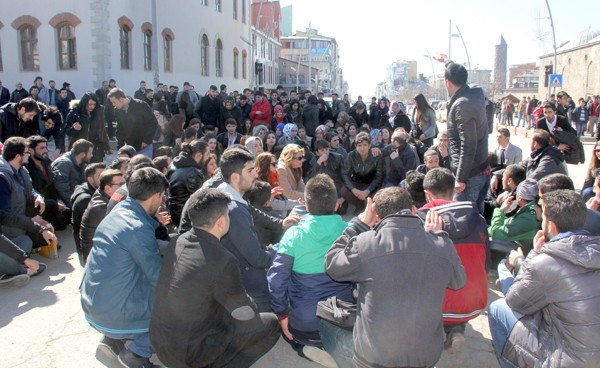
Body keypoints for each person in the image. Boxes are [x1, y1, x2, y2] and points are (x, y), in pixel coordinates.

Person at [324, 187, 466, 368]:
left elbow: (331, 265)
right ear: (414, 210)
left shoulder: (365, 242)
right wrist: (441, 237)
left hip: (373, 359)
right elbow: (459, 281)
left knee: (325, 324)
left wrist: (358, 226)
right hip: (426, 357)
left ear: (376, 216)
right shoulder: (440, 244)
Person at [150, 188, 280, 367]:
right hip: (190, 355)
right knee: (270, 323)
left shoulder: (177, 241)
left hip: (162, 342)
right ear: (220, 221)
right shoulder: (223, 260)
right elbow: (244, 312)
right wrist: (254, 303)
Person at [488, 189, 600, 368]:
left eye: (544, 219)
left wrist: (531, 256)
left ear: (552, 226)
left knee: (497, 307)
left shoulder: (546, 262)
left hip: (565, 360)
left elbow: (515, 302)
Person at [81, 167, 169, 367]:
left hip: (93, 303)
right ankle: (136, 355)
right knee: (179, 305)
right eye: (163, 196)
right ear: (156, 196)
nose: (163, 201)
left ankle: (112, 341)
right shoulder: (138, 229)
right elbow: (159, 278)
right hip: (112, 314)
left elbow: (134, 246)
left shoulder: (120, 210)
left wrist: (174, 245)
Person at [268, 175, 351, 366]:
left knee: (285, 276)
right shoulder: (351, 231)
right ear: (336, 205)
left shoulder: (293, 235)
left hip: (305, 326)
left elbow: (276, 281)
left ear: (306, 207)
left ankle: (303, 347)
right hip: (344, 320)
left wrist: (282, 315)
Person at [418, 168, 488, 352]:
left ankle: (428, 335)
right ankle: (457, 328)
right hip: (475, 301)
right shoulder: (478, 218)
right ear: (454, 190)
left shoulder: (421, 219)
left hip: (438, 306)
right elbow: (486, 262)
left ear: (427, 194)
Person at [218, 148, 273, 311]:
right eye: (250, 171)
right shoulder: (234, 210)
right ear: (235, 177)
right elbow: (256, 258)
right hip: (247, 289)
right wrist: (282, 254)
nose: (256, 175)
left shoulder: (227, 195)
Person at [444, 61, 489, 212]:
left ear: (448, 82)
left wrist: (461, 178)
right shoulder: (476, 93)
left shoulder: (462, 105)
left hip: (470, 176)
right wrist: (448, 62)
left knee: (463, 220)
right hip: (479, 169)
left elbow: (468, 144)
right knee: (477, 220)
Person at [0, 137, 50, 253]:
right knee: (26, 242)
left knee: (47, 237)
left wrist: (38, 197)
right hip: (8, 230)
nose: (29, 155)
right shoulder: (2, 178)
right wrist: (31, 222)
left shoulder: (21, 169)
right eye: (27, 153)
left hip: (21, 220)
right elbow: (4, 216)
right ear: (18, 156)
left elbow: (30, 190)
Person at [78, 169, 124, 265]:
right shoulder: (101, 207)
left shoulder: (105, 196)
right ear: (107, 188)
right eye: (120, 185)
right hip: (96, 259)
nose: (124, 188)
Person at [26, 135, 69, 231]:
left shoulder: (46, 162)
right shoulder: (27, 168)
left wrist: (58, 199)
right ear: (31, 150)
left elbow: (52, 184)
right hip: (37, 205)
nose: (45, 150)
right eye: (41, 148)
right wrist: (54, 203)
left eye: (46, 147)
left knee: (68, 214)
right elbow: (32, 192)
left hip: (51, 200)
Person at [489, 178, 540, 254]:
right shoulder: (530, 211)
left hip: (516, 251)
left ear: (519, 199)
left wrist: (501, 211)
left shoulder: (529, 217)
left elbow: (497, 234)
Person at [167, 139, 209, 228]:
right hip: (187, 221)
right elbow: (200, 202)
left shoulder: (173, 164)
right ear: (199, 155)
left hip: (173, 216)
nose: (208, 158)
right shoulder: (193, 172)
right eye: (207, 154)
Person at [341, 132, 384, 214]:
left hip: (372, 185)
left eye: (364, 145)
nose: (362, 148)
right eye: (359, 145)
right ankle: (359, 206)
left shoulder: (376, 155)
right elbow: (345, 174)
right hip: (357, 183)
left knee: (378, 195)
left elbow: (379, 176)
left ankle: (367, 207)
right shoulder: (351, 155)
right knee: (344, 190)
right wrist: (353, 189)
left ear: (369, 145)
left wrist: (368, 190)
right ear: (356, 146)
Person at [70, 163, 105, 259]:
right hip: (89, 252)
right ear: (90, 179)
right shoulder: (86, 200)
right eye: (100, 176)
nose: (104, 179)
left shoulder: (93, 190)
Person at [65, 92, 110, 163]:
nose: (92, 107)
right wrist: (74, 129)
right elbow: (67, 131)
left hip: (96, 149)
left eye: (94, 104)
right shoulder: (75, 112)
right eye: (90, 104)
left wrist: (107, 145)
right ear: (84, 103)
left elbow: (102, 130)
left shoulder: (98, 113)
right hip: (80, 150)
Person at [50, 139, 94, 208]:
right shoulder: (64, 164)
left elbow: (83, 183)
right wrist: (75, 206)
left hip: (75, 198)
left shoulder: (81, 163)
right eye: (90, 153)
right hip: (64, 204)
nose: (92, 155)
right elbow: (63, 190)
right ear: (82, 154)